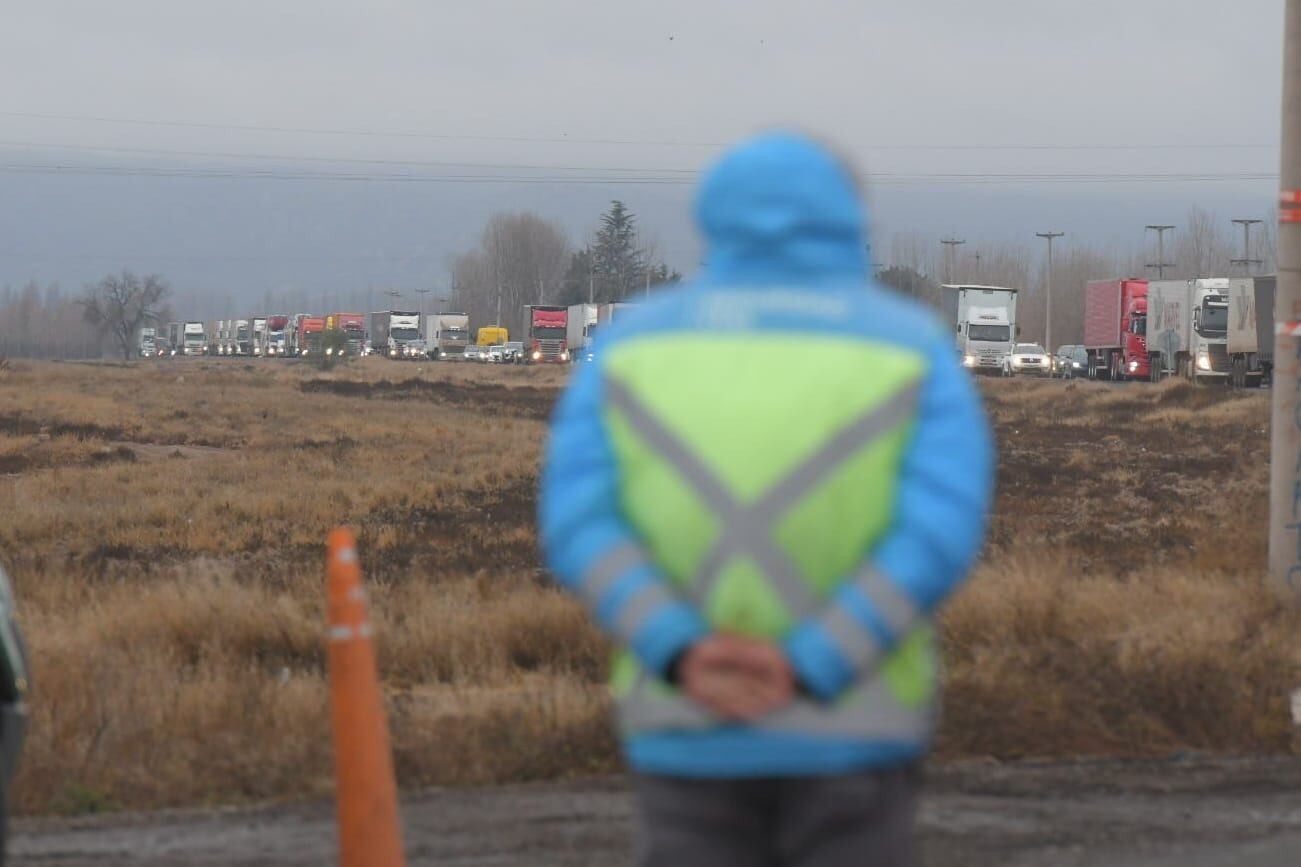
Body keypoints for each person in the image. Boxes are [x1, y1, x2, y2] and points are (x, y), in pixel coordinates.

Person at [540, 132, 992, 867]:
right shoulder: (914, 350)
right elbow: (936, 532)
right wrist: (814, 660)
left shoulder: (628, 349)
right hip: (853, 728)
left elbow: (578, 523)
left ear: (712, 217)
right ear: (849, 216)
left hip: (685, 721)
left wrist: (679, 648)